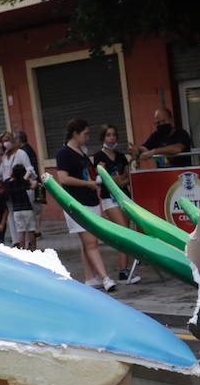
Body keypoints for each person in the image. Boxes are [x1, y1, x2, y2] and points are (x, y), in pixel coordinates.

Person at [55, 118, 115, 291]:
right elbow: (63, 178)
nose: (88, 137)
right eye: (86, 134)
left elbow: (85, 174)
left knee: (88, 242)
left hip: (91, 200)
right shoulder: (64, 153)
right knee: (91, 242)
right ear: (75, 133)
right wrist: (87, 184)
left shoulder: (81, 152)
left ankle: (90, 278)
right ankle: (105, 278)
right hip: (76, 203)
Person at [92, 124, 139, 283]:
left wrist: (119, 180)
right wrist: (116, 180)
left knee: (125, 232)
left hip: (123, 196)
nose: (111, 138)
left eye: (113, 135)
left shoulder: (120, 156)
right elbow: (102, 177)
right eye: (108, 135)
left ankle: (124, 271)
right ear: (103, 138)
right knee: (123, 231)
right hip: (108, 198)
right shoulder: (99, 156)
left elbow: (127, 176)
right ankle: (123, 272)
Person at [5, 162, 37, 250]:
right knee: (31, 230)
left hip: (16, 210)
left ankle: (22, 250)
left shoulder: (8, 183)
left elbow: (8, 183)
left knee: (20, 231)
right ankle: (33, 248)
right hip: (27, 209)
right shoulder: (23, 182)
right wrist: (31, 179)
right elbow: (33, 186)